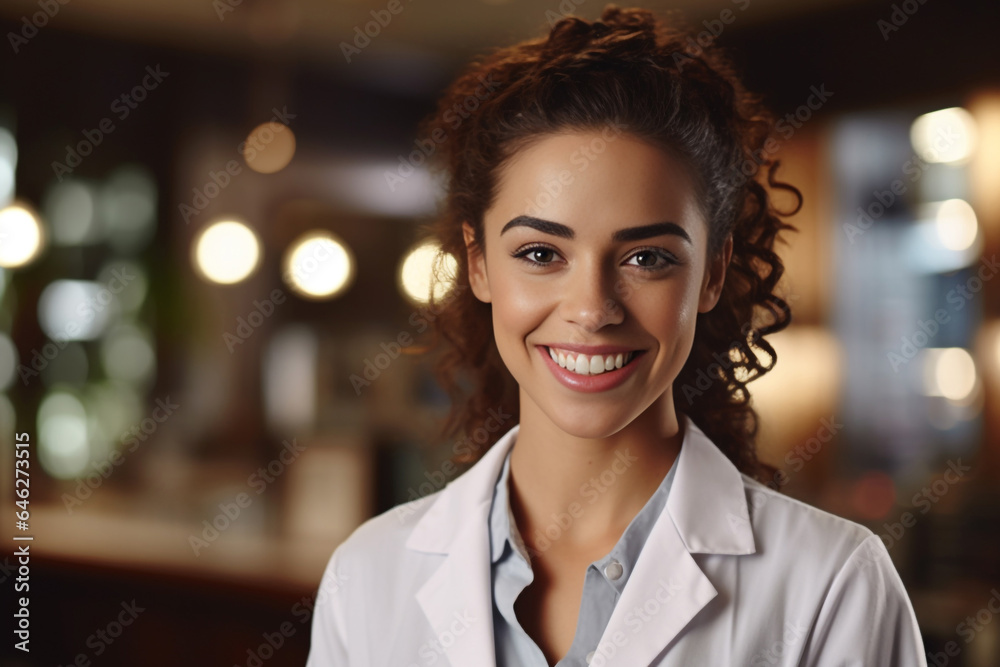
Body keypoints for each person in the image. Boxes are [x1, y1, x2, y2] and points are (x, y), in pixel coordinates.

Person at [307, 5, 927, 666]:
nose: (593, 308)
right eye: (541, 253)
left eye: (647, 257)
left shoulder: (833, 588)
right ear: (479, 262)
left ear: (713, 272)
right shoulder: (368, 576)